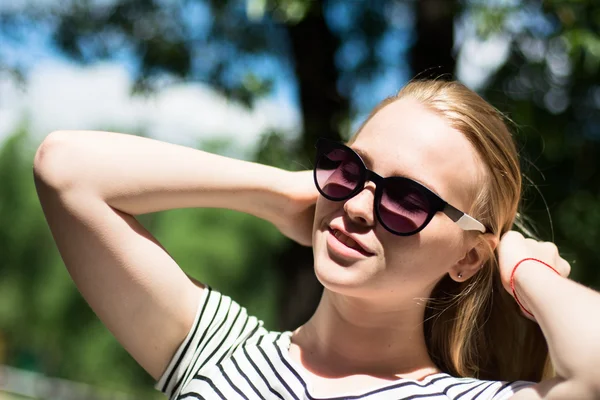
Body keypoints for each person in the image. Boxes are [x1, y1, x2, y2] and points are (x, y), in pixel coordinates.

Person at [33, 80, 600, 400]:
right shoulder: (221, 354)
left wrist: (525, 268)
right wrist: (280, 191)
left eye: (407, 199)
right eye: (349, 169)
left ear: (468, 256)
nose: (356, 207)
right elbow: (66, 170)